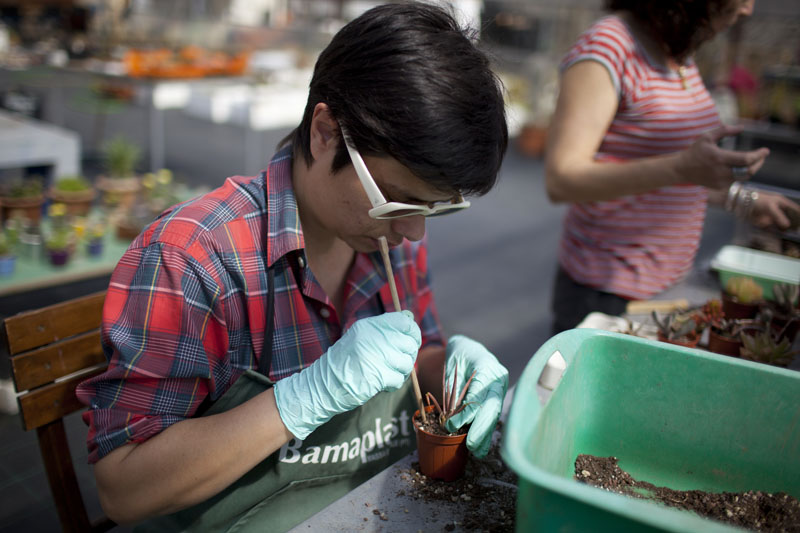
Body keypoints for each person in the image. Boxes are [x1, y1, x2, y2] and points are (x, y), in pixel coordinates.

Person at [75, 3, 509, 531]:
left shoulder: (390, 233)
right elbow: (124, 490)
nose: (415, 232)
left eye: (434, 207)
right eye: (398, 201)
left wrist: (453, 372)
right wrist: (303, 397)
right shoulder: (193, 261)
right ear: (326, 131)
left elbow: (421, 358)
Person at [545, 0, 800, 333]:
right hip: (607, 292)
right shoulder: (609, 46)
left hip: (668, 286)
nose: (748, 9)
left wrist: (740, 199)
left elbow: (662, 171)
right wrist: (681, 168)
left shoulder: (675, 50)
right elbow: (561, 179)